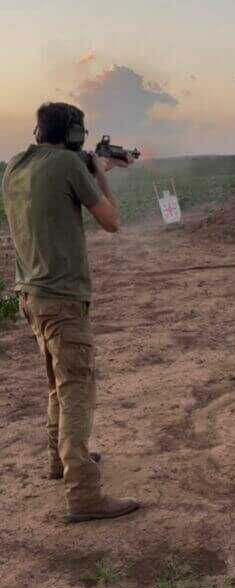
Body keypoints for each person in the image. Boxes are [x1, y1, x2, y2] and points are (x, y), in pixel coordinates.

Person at [1, 102, 140, 522]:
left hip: (31, 298)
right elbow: (112, 221)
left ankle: (58, 461)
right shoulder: (68, 165)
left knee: (57, 383)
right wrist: (97, 172)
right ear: (76, 135)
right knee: (78, 387)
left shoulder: (14, 165)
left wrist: (89, 163)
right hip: (62, 300)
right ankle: (83, 493)